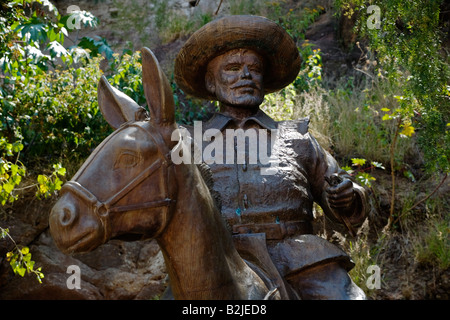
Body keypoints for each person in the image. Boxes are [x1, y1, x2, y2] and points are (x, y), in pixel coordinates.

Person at [174, 15, 369, 299]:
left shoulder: (298, 138)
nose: (246, 76)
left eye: (255, 69)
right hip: (215, 264)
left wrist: (346, 198)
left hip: (300, 260)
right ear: (210, 82)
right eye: (232, 68)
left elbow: (339, 189)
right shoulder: (188, 142)